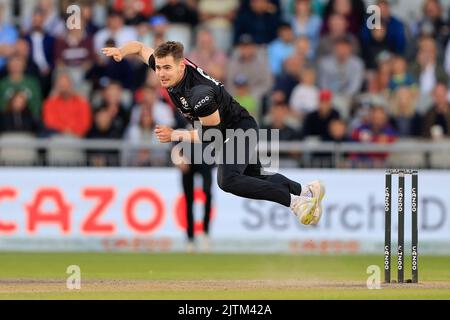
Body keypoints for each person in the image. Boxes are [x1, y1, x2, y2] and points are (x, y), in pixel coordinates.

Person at [102, 40, 325, 227]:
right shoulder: (170, 70)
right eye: (158, 68)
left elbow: (210, 136)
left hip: (238, 129)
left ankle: (294, 202)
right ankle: (306, 191)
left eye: (166, 68)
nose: (161, 73)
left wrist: (174, 135)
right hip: (229, 131)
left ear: (181, 66)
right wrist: (121, 51)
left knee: (227, 180)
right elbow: (140, 48)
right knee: (254, 175)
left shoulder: (200, 95)